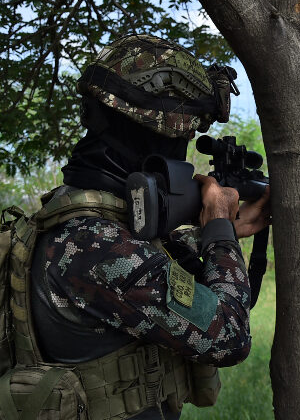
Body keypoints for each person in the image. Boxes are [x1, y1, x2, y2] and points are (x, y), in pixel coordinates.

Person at [29, 34, 270, 419]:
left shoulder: (75, 220)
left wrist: (210, 235)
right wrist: (219, 229)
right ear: (155, 137)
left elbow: (145, 272)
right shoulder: (94, 245)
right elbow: (230, 336)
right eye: (183, 140)